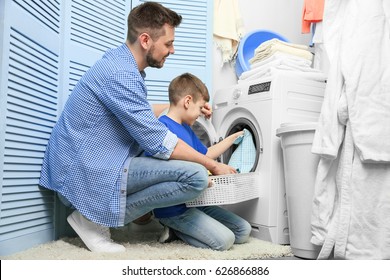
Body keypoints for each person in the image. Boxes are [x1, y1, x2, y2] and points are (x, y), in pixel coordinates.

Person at [39, 2, 237, 253]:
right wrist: (213, 164)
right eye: (168, 44)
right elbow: (160, 142)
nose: (172, 50)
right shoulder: (120, 73)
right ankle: (91, 219)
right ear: (145, 40)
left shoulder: (121, 65)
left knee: (186, 169)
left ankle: (99, 217)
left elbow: (138, 111)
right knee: (196, 175)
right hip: (81, 175)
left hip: (91, 166)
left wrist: (184, 108)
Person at [151, 73, 252, 251]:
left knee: (243, 231)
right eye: (199, 108)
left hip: (196, 203)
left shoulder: (187, 130)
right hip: (174, 209)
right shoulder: (162, 127)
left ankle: (180, 231)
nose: (200, 114)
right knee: (225, 241)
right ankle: (175, 228)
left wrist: (233, 138)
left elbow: (207, 154)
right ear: (187, 101)